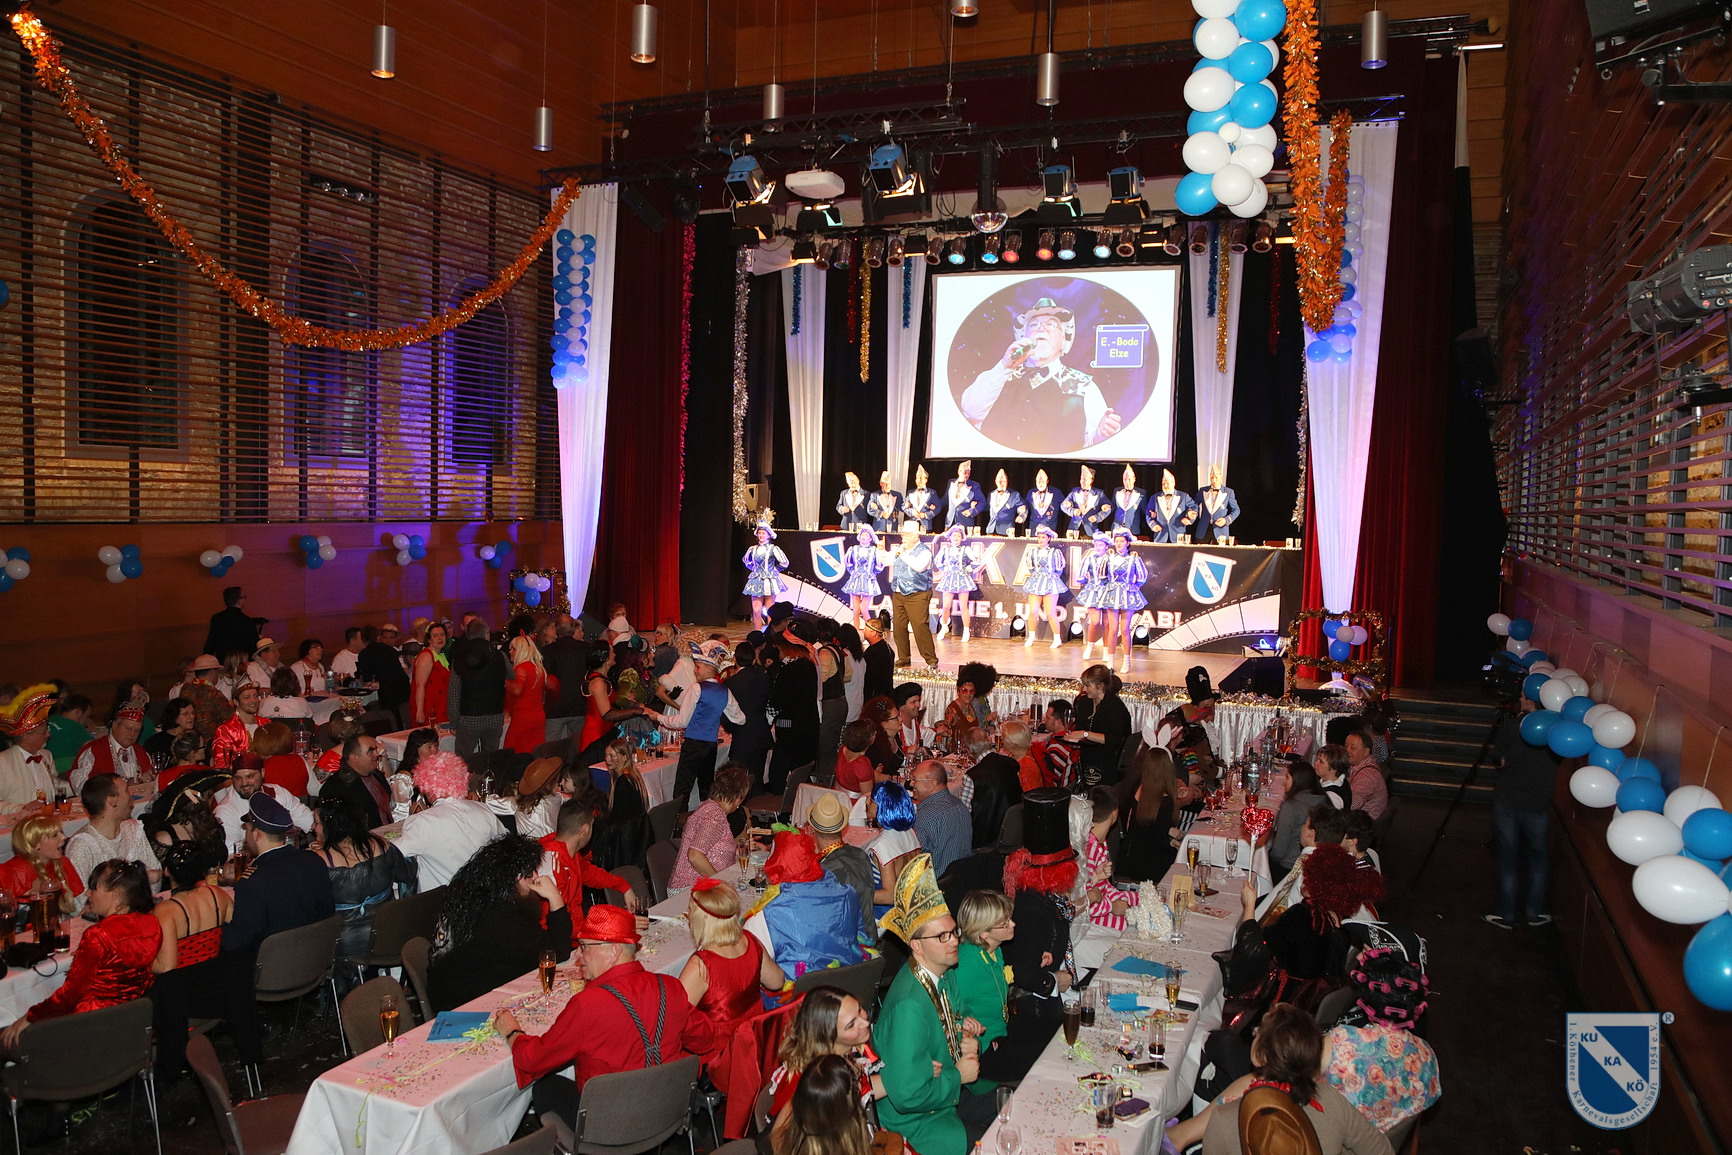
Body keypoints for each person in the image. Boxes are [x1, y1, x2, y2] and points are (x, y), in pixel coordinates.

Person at [495, 903, 713, 1126]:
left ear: (613, 951)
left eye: (584, 946)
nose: (577, 955)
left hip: (610, 1123)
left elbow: (533, 1060)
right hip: (667, 1111)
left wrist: (512, 1032)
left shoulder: (587, 1005)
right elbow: (704, 1039)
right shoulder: (670, 987)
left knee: (544, 1087)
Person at [874, 853, 979, 1155]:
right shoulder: (908, 1007)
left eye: (954, 932)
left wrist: (968, 1036)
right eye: (943, 936)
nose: (954, 941)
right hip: (918, 1123)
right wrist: (959, 1075)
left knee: (1010, 1102)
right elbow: (907, 1095)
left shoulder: (945, 973)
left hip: (944, 1097)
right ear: (917, 946)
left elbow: (957, 1017)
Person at [1191, 1004, 1396, 1155]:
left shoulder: (1225, 1119)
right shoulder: (1331, 1101)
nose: (1255, 1033)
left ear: (1260, 1057)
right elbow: (1382, 1151)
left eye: (1258, 1032)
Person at [149, 841, 257, 1088]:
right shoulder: (217, 895)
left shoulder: (166, 911)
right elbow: (236, 930)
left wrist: (143, 961)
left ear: (167, 872)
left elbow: (167, 967)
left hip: (186, 997)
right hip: (220, 988)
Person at [427, 834, 573, 1012]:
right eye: (531, 872)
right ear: (515, 877)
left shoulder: (473, 892)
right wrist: (555, 897)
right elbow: (556, 953)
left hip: (449, 986)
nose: (536, 877)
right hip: (463, 1005)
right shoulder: (502, 918)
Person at [960, 297, 1118, 453]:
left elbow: (1091, 444)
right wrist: (1004, 367)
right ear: (1024, 338)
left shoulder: (1084, 386)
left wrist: (1101, 434)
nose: (1041, 329)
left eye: (1051, 324)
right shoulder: (1000, 376)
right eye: (1034, 325)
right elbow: (971, 410)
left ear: (1063, 341)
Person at [679, 878, 785, 1089]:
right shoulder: (750, 941)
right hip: (754, 1047)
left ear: (702, 918)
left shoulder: (701, 965)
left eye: (690, 911)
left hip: (720, 1060)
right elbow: (777, 982)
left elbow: (674, 1020)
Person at [1323, 947, 1441, 1134]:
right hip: (1387, 1141)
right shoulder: (1427, 1054)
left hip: (1338, 1137)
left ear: (1365, 1001)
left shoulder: (1342, 1040)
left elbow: (1306, 1079)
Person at [221, 794, 337, 959]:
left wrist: (220, 923)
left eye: (247, 829)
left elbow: (238, 941)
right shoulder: (313, 860)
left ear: (257, 834)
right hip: (316, 958)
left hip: (273, 967)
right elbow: (328, 912)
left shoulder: (253, 882)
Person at [764, 986, 887, 1136]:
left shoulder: (847, 1050)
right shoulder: (815, 1079)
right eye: (851, 1025)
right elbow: (781, 1138)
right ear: (828, 1036)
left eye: (860, 1009)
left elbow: (860, 1088)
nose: (865, 1023)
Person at [1484, 698, 1561, 929]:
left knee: (1508, 858)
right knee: (1538, 859)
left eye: (1523, 696)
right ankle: (1534, 913)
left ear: (1530, 701)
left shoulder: (1513, 726)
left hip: (1507, 799)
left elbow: (1499, 758)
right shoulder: (1557, 729)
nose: (1519, 699)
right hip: (1538, 803)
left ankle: (1506, 914)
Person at [744, 830, 865, 975]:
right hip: (850, 980)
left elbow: (753, 972)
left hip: (799, 987)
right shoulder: (847, 893)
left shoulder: (768, 915)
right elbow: (860, 938)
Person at [314, 797, 418, 963]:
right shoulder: (380, 845)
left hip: (342, 946)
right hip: (387, 936)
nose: (313, 828)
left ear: (331, 826)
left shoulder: (320, 861)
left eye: (317, 823)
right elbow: (408, 873)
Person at [395, 750, 505, 889]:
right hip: (485, 891)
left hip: (442, 898)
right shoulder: (482, 809)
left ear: (429, 790)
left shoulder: (422, 822)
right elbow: (505, 843)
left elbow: (392, 854)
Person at [661, 642, 745, 811]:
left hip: (693, 745)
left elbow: (682, 722)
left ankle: (679, 822)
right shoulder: (725, 691)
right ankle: (708, 819)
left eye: (698, 667)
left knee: (682, 788)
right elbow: (740, 719)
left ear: (708, 668)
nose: (695, 670)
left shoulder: (696, 688)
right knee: (706, 787)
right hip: (710, 746)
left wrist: (658, 717)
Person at [537, 794, 643, 925]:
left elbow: (592, 874)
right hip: (561, 935)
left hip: (573, 930)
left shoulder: (569, 851)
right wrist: (617, 923)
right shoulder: (552, 867)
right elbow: (561, 923)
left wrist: (624, 887)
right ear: (585, 829)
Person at [66, 773, 161, 887]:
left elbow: (155, 874)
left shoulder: (132, 829)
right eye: (126, 790)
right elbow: (79, 895)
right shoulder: (81, 846)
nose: (131, 795)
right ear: (112, 801)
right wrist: (140, 879)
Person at [669, 766, 752, 891]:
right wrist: (720, 885)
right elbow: (695, 855)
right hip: (690, 889)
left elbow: (714, 847)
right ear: (739, 798)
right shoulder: (715, 817)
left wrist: (739, 850)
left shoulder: (709, 807)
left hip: (696, 886)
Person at [809, 793, 877, 944]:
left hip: (847, 946)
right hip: (869, 937)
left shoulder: (823, 870)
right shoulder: (860, 854)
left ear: (813, 829)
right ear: (843, 827)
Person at [213, 753, 314, 847]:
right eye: (238, 778)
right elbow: (232, 853)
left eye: (250, 776)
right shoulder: (226, 810)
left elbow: (309, 822)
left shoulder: (278, 793)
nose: (244, 783)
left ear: (262, 773)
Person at [1113, 746, 1179, 883]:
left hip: (1129, 860)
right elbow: (1158, 842)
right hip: (1151, 867)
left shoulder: (1138, 790)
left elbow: (1146, 830)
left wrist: (1169, 835)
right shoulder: (1166, 802)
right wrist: (1173, 840)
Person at [0, 814, 84, 913]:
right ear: (36, 845)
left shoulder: (62, 863)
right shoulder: (11, 873)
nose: (64, 837)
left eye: (61, 832)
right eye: (54, 835)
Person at [450, 618, 510, 757]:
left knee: (462, 760)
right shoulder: (500, 656)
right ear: (487, 634)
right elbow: (511, 678)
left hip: (468, 718)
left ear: (468, 635)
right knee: (491, 759)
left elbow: (454, 692)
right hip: (494, 716)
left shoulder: (459, 658)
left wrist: (454, 721)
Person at [0, 685, 61, 813]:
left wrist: (82, 784)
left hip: (47, 817)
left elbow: (55, 785)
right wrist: (22, 808)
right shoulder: (3, 761)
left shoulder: (46, 755)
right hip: (18, 822)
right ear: (26, 735)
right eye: (43, 731)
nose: (48, 734)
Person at [1069, 664, 1132, 788]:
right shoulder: (1084, 702)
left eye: (1088, 685)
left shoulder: (1114, 706)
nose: (1085, 689)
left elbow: (1114, 739)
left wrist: (1085, 734)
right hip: (1087, 758)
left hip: (1107, 760)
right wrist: (1073, 740)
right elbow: (1079, 729)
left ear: (1101, 686)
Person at [865, 781, 921, 918]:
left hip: (885, 919)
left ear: (882, 806)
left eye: (871, 800)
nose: (866, 802)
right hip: (909, 911)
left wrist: (855, 893)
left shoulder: (883, 845)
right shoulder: (909, 833)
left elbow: (889, 896)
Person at [886, 523, 938, 669]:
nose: (903, 537)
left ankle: (931, 660)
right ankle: (904, 657)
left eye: (907, 535)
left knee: (920, 626)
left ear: (916, 537)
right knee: (898, 627)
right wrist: (882, 552)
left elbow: (919, 567)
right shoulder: (900, 549)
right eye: (903, 535)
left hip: (917, 594)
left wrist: (902, 553)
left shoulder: (924, 552)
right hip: (899, 592)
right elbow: (887, 561)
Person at [317, 733, 394, 830]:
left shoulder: (376, 775)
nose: (377, 754)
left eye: (375, 749)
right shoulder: (335, 789)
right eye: (370, 751)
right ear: (354, 757)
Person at [962, 732, 1021, 854]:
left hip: (985, 838)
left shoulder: (972, 776)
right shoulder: (1011, 763)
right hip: (1014, 829)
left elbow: (963, 813)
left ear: (969, 752)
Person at [1101, 527, 1149, 675]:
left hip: (1128, 594)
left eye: (1122, 541)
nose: (1119, 544)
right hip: (1112, 594)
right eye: (1117, 541)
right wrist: (1109, 586)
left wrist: (1134, 587)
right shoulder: (1109, 558)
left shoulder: (1134, 559)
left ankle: (1127, 661)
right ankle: (1110, 661)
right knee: (1112, 629)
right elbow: (1102, 575)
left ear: (1128, 543)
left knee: (1125, 629)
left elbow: (1142, 576)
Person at [907, 761, 968, 876]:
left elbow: (914, 862)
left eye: (914, 779)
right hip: (963, 877)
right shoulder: (960, 805)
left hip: (937, 881)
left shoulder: (926, 816)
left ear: (932, 784)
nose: (911, 783)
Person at [1272, 759, 1329, 878]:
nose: (1284, 782)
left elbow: (1279, 852)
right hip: (1316, 863)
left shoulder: (1291, 806)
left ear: (1297, 781)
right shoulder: (1323, 800)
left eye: (1287, 777)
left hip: (1289, 866)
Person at [68, 705, 145, 792]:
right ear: (115, 725)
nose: (132, 734)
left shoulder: (141, 752)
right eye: (128, 728)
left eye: (137, 731)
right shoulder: (94, 751)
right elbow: (79, 786)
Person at [504, 633, 555, 754]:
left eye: (513, 649)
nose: (510, 651)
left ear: (521, 651)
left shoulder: (521, 668)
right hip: (538, 715)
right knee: (534, 752)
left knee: (512, 750)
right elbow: (552, 686)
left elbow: (517, 689)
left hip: (523, 717)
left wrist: (502, 680)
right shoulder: (538, 668)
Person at [541, 616, 590, 742]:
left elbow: (545, 679)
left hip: (555, 707)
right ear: (573, 628)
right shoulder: (585, 648)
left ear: (557, 629)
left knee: (550, 749)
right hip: (579, 705)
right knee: (577, 746)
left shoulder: (548, 651)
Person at [931, 526, 983, 642]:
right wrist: (945, 568)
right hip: (949, 579)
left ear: (961, 538)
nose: (956, 538)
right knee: (946, 606)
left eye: (958, 536)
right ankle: (944, 627)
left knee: (963, 606)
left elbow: (977, 561)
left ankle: (966, 631)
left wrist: (969, 568)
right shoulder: (945, 550)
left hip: (962, 579)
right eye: (954, 535)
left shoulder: (966, 549)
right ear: (949, 537)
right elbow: (937, 561)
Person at [1019, 524, 1068, 648]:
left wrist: (1050, 577)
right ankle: (1031, 637)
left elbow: (1059, 569)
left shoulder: (1055, 552)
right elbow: (1031, 567)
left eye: (1043, 537)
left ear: (1048, 538)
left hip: (1050, 582)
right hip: (1036, 582)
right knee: (1033, 611)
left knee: (1050, 612)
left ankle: (1057, 639)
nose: (1041, 540)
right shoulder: (1032, 552)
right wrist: (1037, 576)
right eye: (1039, 537)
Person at [355, 624, 410, 726]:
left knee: (392, 719)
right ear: (378, 637)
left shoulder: (364, 654)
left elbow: (368, 678)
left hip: (388, 689)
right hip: (403, 685)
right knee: (405, 716)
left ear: (362, 639)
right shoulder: (391, 650)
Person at [744, 521, 791, 631]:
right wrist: (754, 569)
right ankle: (757, 633)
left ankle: (770, 634)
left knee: (770, 610)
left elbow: (785, 562)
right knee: (756, 610)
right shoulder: (752, 549)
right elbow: (746, 561)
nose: (761, 535)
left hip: (769, 580)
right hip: (756, 580)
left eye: (763, 533)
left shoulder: (773, 548)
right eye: (759, 533)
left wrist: (775, 569)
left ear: (768, 535)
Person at [1074, 533, 1112, 659]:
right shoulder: (1089, 559)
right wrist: (1089, 582)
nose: (1098, 547)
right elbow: (1080, 576)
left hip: (1108, 592)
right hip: (1093, 591)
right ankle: (1089, 647)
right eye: (1096, 545)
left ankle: (1106, 651)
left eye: (1101, 545)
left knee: (1107, 623)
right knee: (1094, 621)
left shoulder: (1111, 559)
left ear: (1106, 546)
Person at [203, 586, 261, 667]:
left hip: (222, 663)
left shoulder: (217, 619)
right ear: (238, 601)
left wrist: (205, 661)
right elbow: (254, 647)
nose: (245, 600)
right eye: (244, 597)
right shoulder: (247, 621)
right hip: (242, 665)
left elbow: (211, 643)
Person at [842, 527, 887, 630]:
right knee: (856, 610)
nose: (863, 537)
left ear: (870, 538)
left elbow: (880, 565)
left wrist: (872, 574)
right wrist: (853, 572)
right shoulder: (853, 549)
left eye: (866, 535)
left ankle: (871, 630)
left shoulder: (874, 550)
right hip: (856, 580)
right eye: (862, 535)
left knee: (864, 609)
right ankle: (856, 632)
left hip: (868, 580)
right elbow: (848, 563)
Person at [210, 681, 263, 768]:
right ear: (236, 702)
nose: (253, 700)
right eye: (247, 697)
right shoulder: (225, 730)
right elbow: (221, 764)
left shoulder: (266, 724)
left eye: (256, 696)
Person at [411, 621, 452, 727]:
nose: (440, 638)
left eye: (442, 634)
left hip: (441, 705)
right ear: (429, 639)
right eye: (435, 635)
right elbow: (420, 685)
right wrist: (420, 711)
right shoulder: (426, 656)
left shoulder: (441, 656)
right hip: (430, 707)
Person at [940, 663, 998, 737]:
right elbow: (949, 733)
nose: (968, 694)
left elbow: (976, 728)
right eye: (964, 690)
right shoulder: (953, 709)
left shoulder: (971, 708)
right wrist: (988, 720)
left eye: (971, 691)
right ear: (958, 691)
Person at [45, 694, 94, 778]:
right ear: (78, 712)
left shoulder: (48, 719)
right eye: (86, 717)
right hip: (62, 772)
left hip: (44, 767)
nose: (85, 722)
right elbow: (93, 749)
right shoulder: (75, 726)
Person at [1343, 730, 1389, 821]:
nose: (1347, 751)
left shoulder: (1368, 776)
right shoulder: (1355, 766)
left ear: (1366, 752)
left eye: (1352, 748)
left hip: (1362, 824)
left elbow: (1351, 805)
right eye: (1346, 746)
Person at [1144, 468, 1199, 543]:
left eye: (1167, 483)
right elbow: (1148, 513)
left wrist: (1189, 518)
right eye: (1163, 484)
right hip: (1160, 536)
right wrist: (1153, 525)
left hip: (1179, 536)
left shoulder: (1184, 496)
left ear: (1173, 483)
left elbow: (1194, 507)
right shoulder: (1155, 498)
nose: (1165, 486)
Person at [1032, 700, 1077, 789]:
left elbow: (1050, 780)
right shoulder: (1070, 737)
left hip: (1059, 792)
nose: (1044, 720)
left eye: (1048, 718)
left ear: (1058, 722)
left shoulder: (1058, 747)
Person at [145, 698, 198, 769]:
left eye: (193, 713)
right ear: (174, 716)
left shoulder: (195, 737)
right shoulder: (157, 742)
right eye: (186, 714)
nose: (192, 717)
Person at [1061, 465, 1110, 539]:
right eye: (1081, 479)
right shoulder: (1074, 491)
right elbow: (1063, 505)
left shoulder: (1099, 493)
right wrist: (1073, 511)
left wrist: (1097, 517)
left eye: (1085, 479)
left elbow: (1109, 507)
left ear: (1091, 480)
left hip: (1091, 529)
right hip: (1074, 528)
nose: (1083, 482)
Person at [1196, 464, 1241, 544]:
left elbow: (1236, 510)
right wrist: (1191, 513)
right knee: (1199, 551)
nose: (1214, 480)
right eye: (1212, 477)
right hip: (1203, 529)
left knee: (1221, 551)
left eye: (1216, 477)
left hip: (1221, 530)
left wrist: (1226, 520)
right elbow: (1194, 505)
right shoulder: (1203, 490)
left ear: (1221, 478)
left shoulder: (1228, 492)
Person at [835, 719, 878, 797]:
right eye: (873, 733)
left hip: (836, 795)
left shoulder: (843, 749)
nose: (876, 733)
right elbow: (867, 796)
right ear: (869, 739)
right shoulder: (861, 764)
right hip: (853, 802)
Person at [860, 617, 896, 703]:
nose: (863, 631)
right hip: (884, 695)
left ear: (874, 633)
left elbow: (870, 679)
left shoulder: (873, 652)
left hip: (875, 697)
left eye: (866, 629)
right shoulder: (886, 648)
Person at [942, 460, 985, 530]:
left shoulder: (974, 486)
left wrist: (972, 511)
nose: (967, 475)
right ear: (959, 472)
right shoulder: (951, 482)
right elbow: (945, 500)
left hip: (965, 523)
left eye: (968, 473)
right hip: (950, 522)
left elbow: (982, 501)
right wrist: (934, 505)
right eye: (965, 473)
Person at [984, 469, 1026, 536]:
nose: (1001, 483)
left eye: (1003, 481)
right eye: (999, 481)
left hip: (1006, 531)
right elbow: (986, 507)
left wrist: (1021, 515)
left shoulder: (1014, 495)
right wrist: (976, 505)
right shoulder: (991, 494)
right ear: (995, 481)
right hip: (991, 529)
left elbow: (1023, 507)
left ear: (1007, 481)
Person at [1111, 464, 1147, 538]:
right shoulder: (1117, 491)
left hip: (1132, 528)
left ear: (1134, 479)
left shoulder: (1141, 493)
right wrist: (1106, 508)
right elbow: (1113, 506)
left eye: (1129, 479)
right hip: (1117, 527)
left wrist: (1152, 513)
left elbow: (1145, 510)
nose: (1127, 482)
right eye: (1125, 479)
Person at [1316, 744, 1353, 811]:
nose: (1316, 763)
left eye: (1321, 762)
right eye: (1317, 759)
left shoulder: (1333, 798)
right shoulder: (1326, 777)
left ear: (1333, 768)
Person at [902, 465, 939, 532]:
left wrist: (925, 515)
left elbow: (938, 508)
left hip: (925, 525)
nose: (919, 480)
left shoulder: (932, 493)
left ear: (926, 480)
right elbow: (904, 507)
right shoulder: (910, 492)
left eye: (921, 478)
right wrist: (912, 512)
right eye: (917, 478)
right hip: (912, 524)